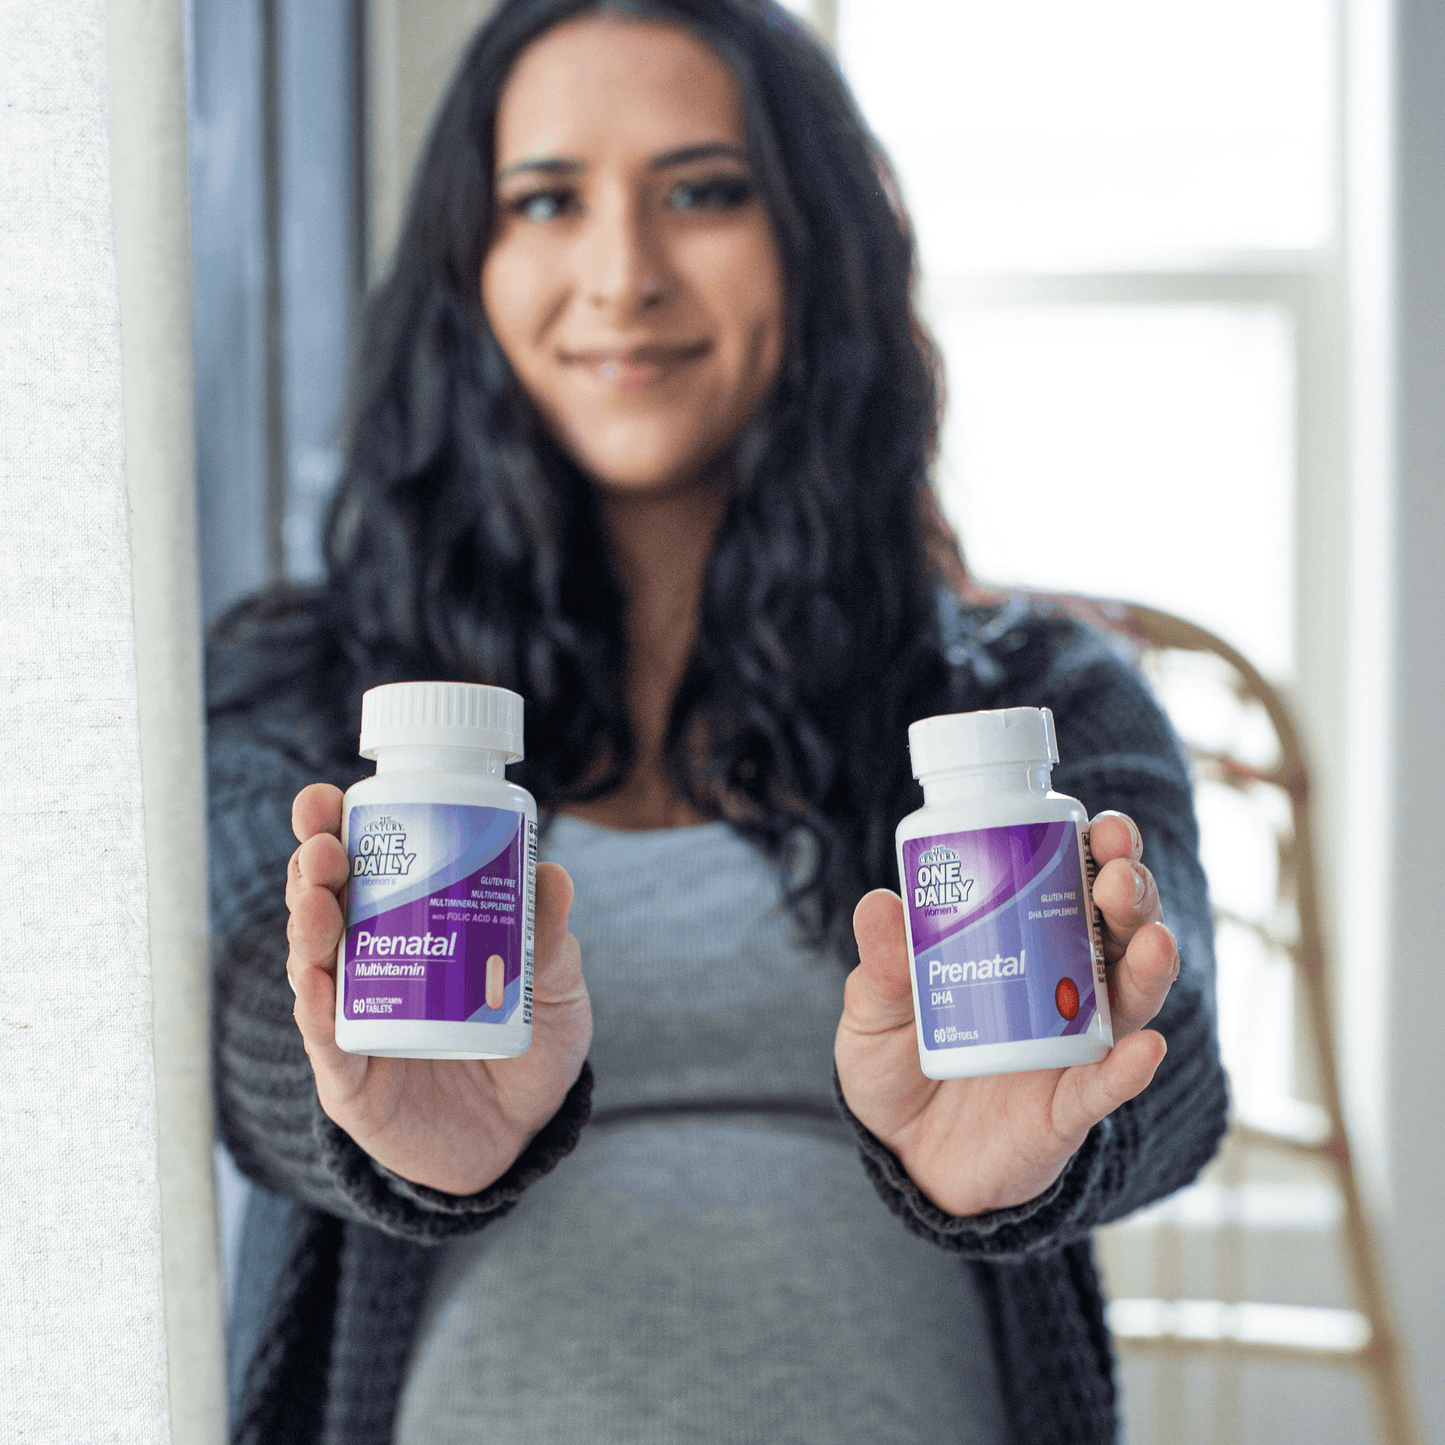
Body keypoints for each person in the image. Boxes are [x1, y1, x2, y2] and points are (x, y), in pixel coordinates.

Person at [208, 1, 1228, 1441]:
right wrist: (380, 1119)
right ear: (468, 263)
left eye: (702, 191)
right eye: (546, 200)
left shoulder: (1037, 705)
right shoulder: (304, 701)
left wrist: (1048, 1143)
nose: (622, 276)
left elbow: (1171, 1043)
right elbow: (235, 1016)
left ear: (814, 239)